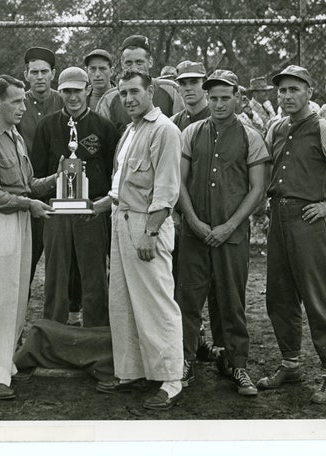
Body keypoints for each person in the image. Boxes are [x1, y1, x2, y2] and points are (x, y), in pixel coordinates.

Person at [94, 69, 184, 410]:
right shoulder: (131, 129)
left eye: (134, 91)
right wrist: (105, 203)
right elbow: (125, 183)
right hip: (122, 219)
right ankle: (131, 370)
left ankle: (171, 379)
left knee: (156, 303)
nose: (129, 98)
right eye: (123, 93)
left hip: (147, 226)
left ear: (151, 91)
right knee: (122, 301)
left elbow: (166, 189)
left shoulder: (165, 131)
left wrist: (151, 231)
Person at [176, 69, 269, 397]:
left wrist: (230, 225)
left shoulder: (250, 136)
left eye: (224, 97)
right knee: (187, 298)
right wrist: (194, 221)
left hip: (232, 235)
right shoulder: (190, 132)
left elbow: (257, 189)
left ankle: (235, 363)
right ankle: (184, 360)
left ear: (238, 98)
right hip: (194, 233)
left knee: (231, 299)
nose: (217, 103)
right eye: (212, 97)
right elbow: (180, 182)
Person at [0, 74, 56, 400]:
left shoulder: (14, 136)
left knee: (17, 298)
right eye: (16, 101)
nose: (23, 106)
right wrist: (28, 203)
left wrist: (57, 178)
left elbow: (27, 182)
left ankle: (5, 364)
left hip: (19, 219)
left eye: (23, 100)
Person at [256, 65, 326, 404]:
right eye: (282, 90)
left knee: (318, 297)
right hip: (278, 217)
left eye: (294, 89)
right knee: (279, 294)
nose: (286, 96)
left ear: (308, 92)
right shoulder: (276, 127)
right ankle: (291, 363)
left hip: (309, 219)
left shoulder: (322, 127)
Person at [31, 66, 119, 327]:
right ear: (60, 92)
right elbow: (36, 173)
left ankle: (95, 331)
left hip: (91, 210)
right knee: (56, 275)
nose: (72, 97)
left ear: (88, 90)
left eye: (77, 91)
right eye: (67, 91)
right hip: (57, 210)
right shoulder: (47, 126)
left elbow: (114, 171)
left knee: (94, 275)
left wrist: (101, 204)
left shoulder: (103, 127)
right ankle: (53, 330)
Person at [170, 60, 221, 363]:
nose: (188, 88)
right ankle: (193, 344)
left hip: (214, 212)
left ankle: (224, 349)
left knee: (217, 287)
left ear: (204, 84)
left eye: (194, 82)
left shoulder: (216, 115)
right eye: (183, 83)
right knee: (183, 285)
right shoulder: (175, 120)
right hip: (182, 214)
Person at [16, 47, 64, 292]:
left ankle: (67, 313)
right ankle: (18, 313)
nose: (39, 77)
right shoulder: (16, 103)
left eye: (44, 71)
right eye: (34, 72)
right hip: (28, 189)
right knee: (27, 256)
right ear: (26, 75)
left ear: (53, 74)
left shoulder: (64, 100)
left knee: (62, 258)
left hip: (60, 188)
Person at [96, 34, 184, 134]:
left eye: (139, 63)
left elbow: (182, 130)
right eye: (128, 63)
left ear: (150, 62)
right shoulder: (109, 99)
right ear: (121, 64)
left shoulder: (170, 91)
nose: (134, 68)